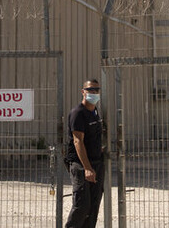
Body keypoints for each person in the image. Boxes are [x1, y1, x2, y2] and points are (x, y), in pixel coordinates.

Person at [64, 78, 104, 228]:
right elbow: (78, 141)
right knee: (82, 204)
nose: (94, 92)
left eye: (96, 90)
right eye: (90, 90)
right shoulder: (78, 113)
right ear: (83, 92)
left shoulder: (95, 112)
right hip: (80, 164)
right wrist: (87, 168)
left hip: (96, 162)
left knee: (93, 205)